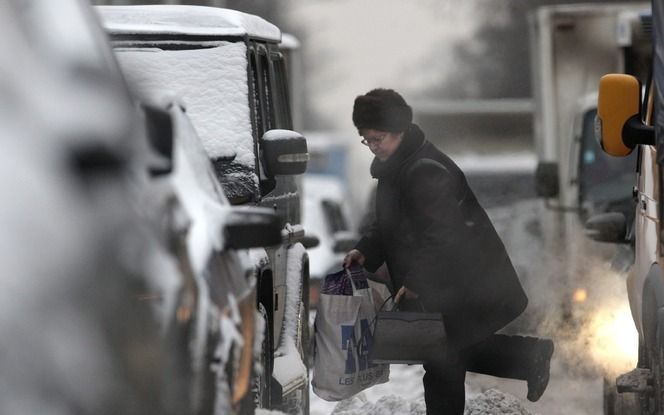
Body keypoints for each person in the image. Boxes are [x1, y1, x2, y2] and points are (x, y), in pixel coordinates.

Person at [343, 88, 554, 414]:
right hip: (442, 284)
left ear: (399, 130)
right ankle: (529, 358)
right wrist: (363, 251)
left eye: (378, 138)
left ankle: (529, 358)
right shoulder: (394, 170)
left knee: (442, 361)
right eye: (367, 140)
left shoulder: (423, 170)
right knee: (448, 353)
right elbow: (387, 225)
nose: (373, 146)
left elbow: (443, 233)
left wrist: (416, 280)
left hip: (458, 283)